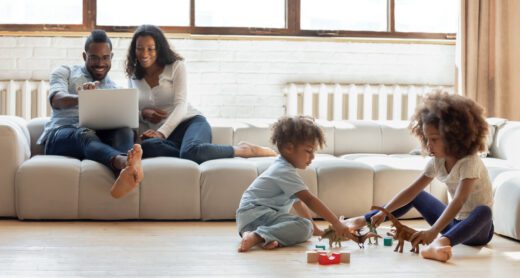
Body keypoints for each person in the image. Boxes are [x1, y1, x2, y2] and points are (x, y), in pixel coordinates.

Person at [345, 90, 493, 262]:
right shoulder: (437, 161)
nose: (429, 145)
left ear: (453, 136)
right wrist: (383, 213)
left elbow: (459, 200)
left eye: (435, 139)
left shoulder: (469, 161)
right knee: (418, 195)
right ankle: (362, 221)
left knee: (484, 211)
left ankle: (440, 244)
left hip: (477, 230)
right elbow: (411, 191)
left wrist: (433, 232)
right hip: (453, 225)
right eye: (427, 139)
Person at [124, 25, 276, 164]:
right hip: (165, 138)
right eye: (140, 48)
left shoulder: (176, 66)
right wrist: (143, 114)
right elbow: (131, 111)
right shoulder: (133, 76)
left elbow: (181, 105)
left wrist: (161, 133)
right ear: (134, 50)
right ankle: (191, 152)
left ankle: (244, 150)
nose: (144, 54)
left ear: (159, 49)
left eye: (151, 48)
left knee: (190, 151)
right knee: (148, 147)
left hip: (190, 123)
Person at [37, 29, 143, 199]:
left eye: (105, 57)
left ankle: (124, 178)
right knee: (84, 132)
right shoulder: (66, 72)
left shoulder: (113, 89)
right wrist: (82, 97)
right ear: (84, 56)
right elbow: (57, 99)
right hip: (61, 136)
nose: (100, 63)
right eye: (94, 57)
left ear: (111, 57)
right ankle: (124, 163)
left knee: (124, 130)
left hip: (95, 141)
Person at [236, 116, 352, 252]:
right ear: (288, 148)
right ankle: (257, 236)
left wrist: (315, 229)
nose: (313, 157)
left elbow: (298, 203)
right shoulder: (283, 171)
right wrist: (336, 223)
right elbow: (309, 200)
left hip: (250, 220)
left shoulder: (284, 168)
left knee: (306, 227)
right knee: (304, 227)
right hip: (257, 214)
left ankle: (260, 236)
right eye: (309, 151)